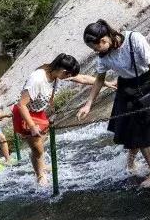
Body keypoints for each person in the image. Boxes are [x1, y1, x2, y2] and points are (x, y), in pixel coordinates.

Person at [78, 21, 150, 188]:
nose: (95, 52)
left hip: (148, 83)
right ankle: (131, 163)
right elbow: (99, 80)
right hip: (126, 88)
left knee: (141, 130)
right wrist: (88, 105)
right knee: (132, 130)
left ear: (104, 40)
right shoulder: (104, 56)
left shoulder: (134, 39)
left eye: (95, 47)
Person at [14, 54, 95, 186]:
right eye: (68, 75)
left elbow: (82, 78)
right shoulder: (37, 79)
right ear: (63, 71)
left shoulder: (55, 72)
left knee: (40, 144)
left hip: (39, 112)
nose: (69, 78)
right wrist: (32, 126)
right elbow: (21, 105)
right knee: (38, 150)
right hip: (26, 114)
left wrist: (106, 83)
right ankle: (40, 176)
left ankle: (38, 161)